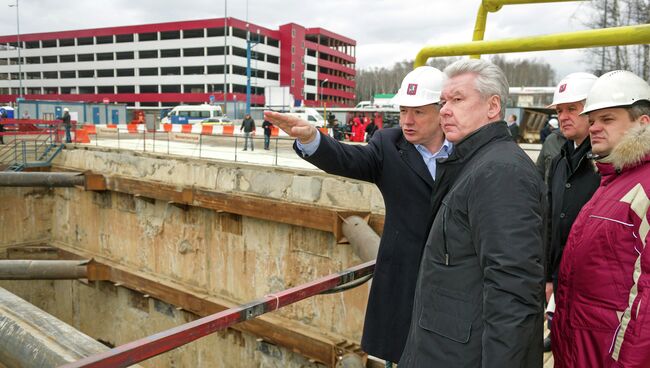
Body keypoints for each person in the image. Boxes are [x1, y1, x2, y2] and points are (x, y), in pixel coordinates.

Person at [264, 66, 452, 365]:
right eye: (403, 111)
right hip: (404, 283)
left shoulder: (467, 150)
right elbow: (349, 159)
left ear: (442, 110)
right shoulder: (389, 146)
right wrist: (313, 138)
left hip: (454, 284)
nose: (407, 121)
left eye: (417, 112)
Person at [399, 59, 545, 367]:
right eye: (443, 102)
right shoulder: (474, 163)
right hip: (445, 349)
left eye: (457, 99)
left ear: (493, 107)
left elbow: (513, 291)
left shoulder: (501, 172)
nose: (444, 110)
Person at [551, 70, 650, 367]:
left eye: (607, 120)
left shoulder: (643, 186)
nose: (594, 128)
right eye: (592, 120)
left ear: (642, 123)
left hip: (610, 353)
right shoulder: (612, 181)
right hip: (583, 348)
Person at [542, 72, 600, 352]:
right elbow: (551, 223)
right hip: (562, 280)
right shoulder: (560, 161)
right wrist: (549, 276)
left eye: (572, 109)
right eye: (560, 110)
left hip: (594, 288)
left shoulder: (608, 164)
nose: (563, 116)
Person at [535, 117, 565, 183]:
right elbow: (540, 171)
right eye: (560, 111)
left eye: (571, 109)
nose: (564, 117)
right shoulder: (550, 140)